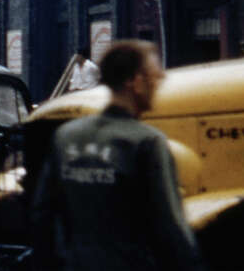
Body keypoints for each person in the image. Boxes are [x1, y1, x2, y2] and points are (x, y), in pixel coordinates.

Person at [30, 40, 203, 271]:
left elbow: (42, 214)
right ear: (136, 82)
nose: (161, 80)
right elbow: (170, 228)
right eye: (155, 74)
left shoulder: (66, 136)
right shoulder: (147, 142)